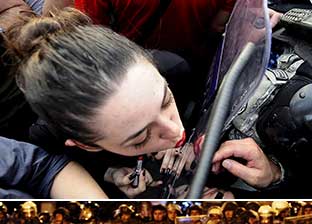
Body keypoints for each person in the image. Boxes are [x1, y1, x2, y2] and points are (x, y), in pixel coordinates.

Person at [5, 8, 284, 196]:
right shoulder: (45, 139)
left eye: (165, 101)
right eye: (140, 137)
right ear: (85, 144)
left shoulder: (175, 69)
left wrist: (275, 174)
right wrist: (110, 173)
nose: (175, 132)